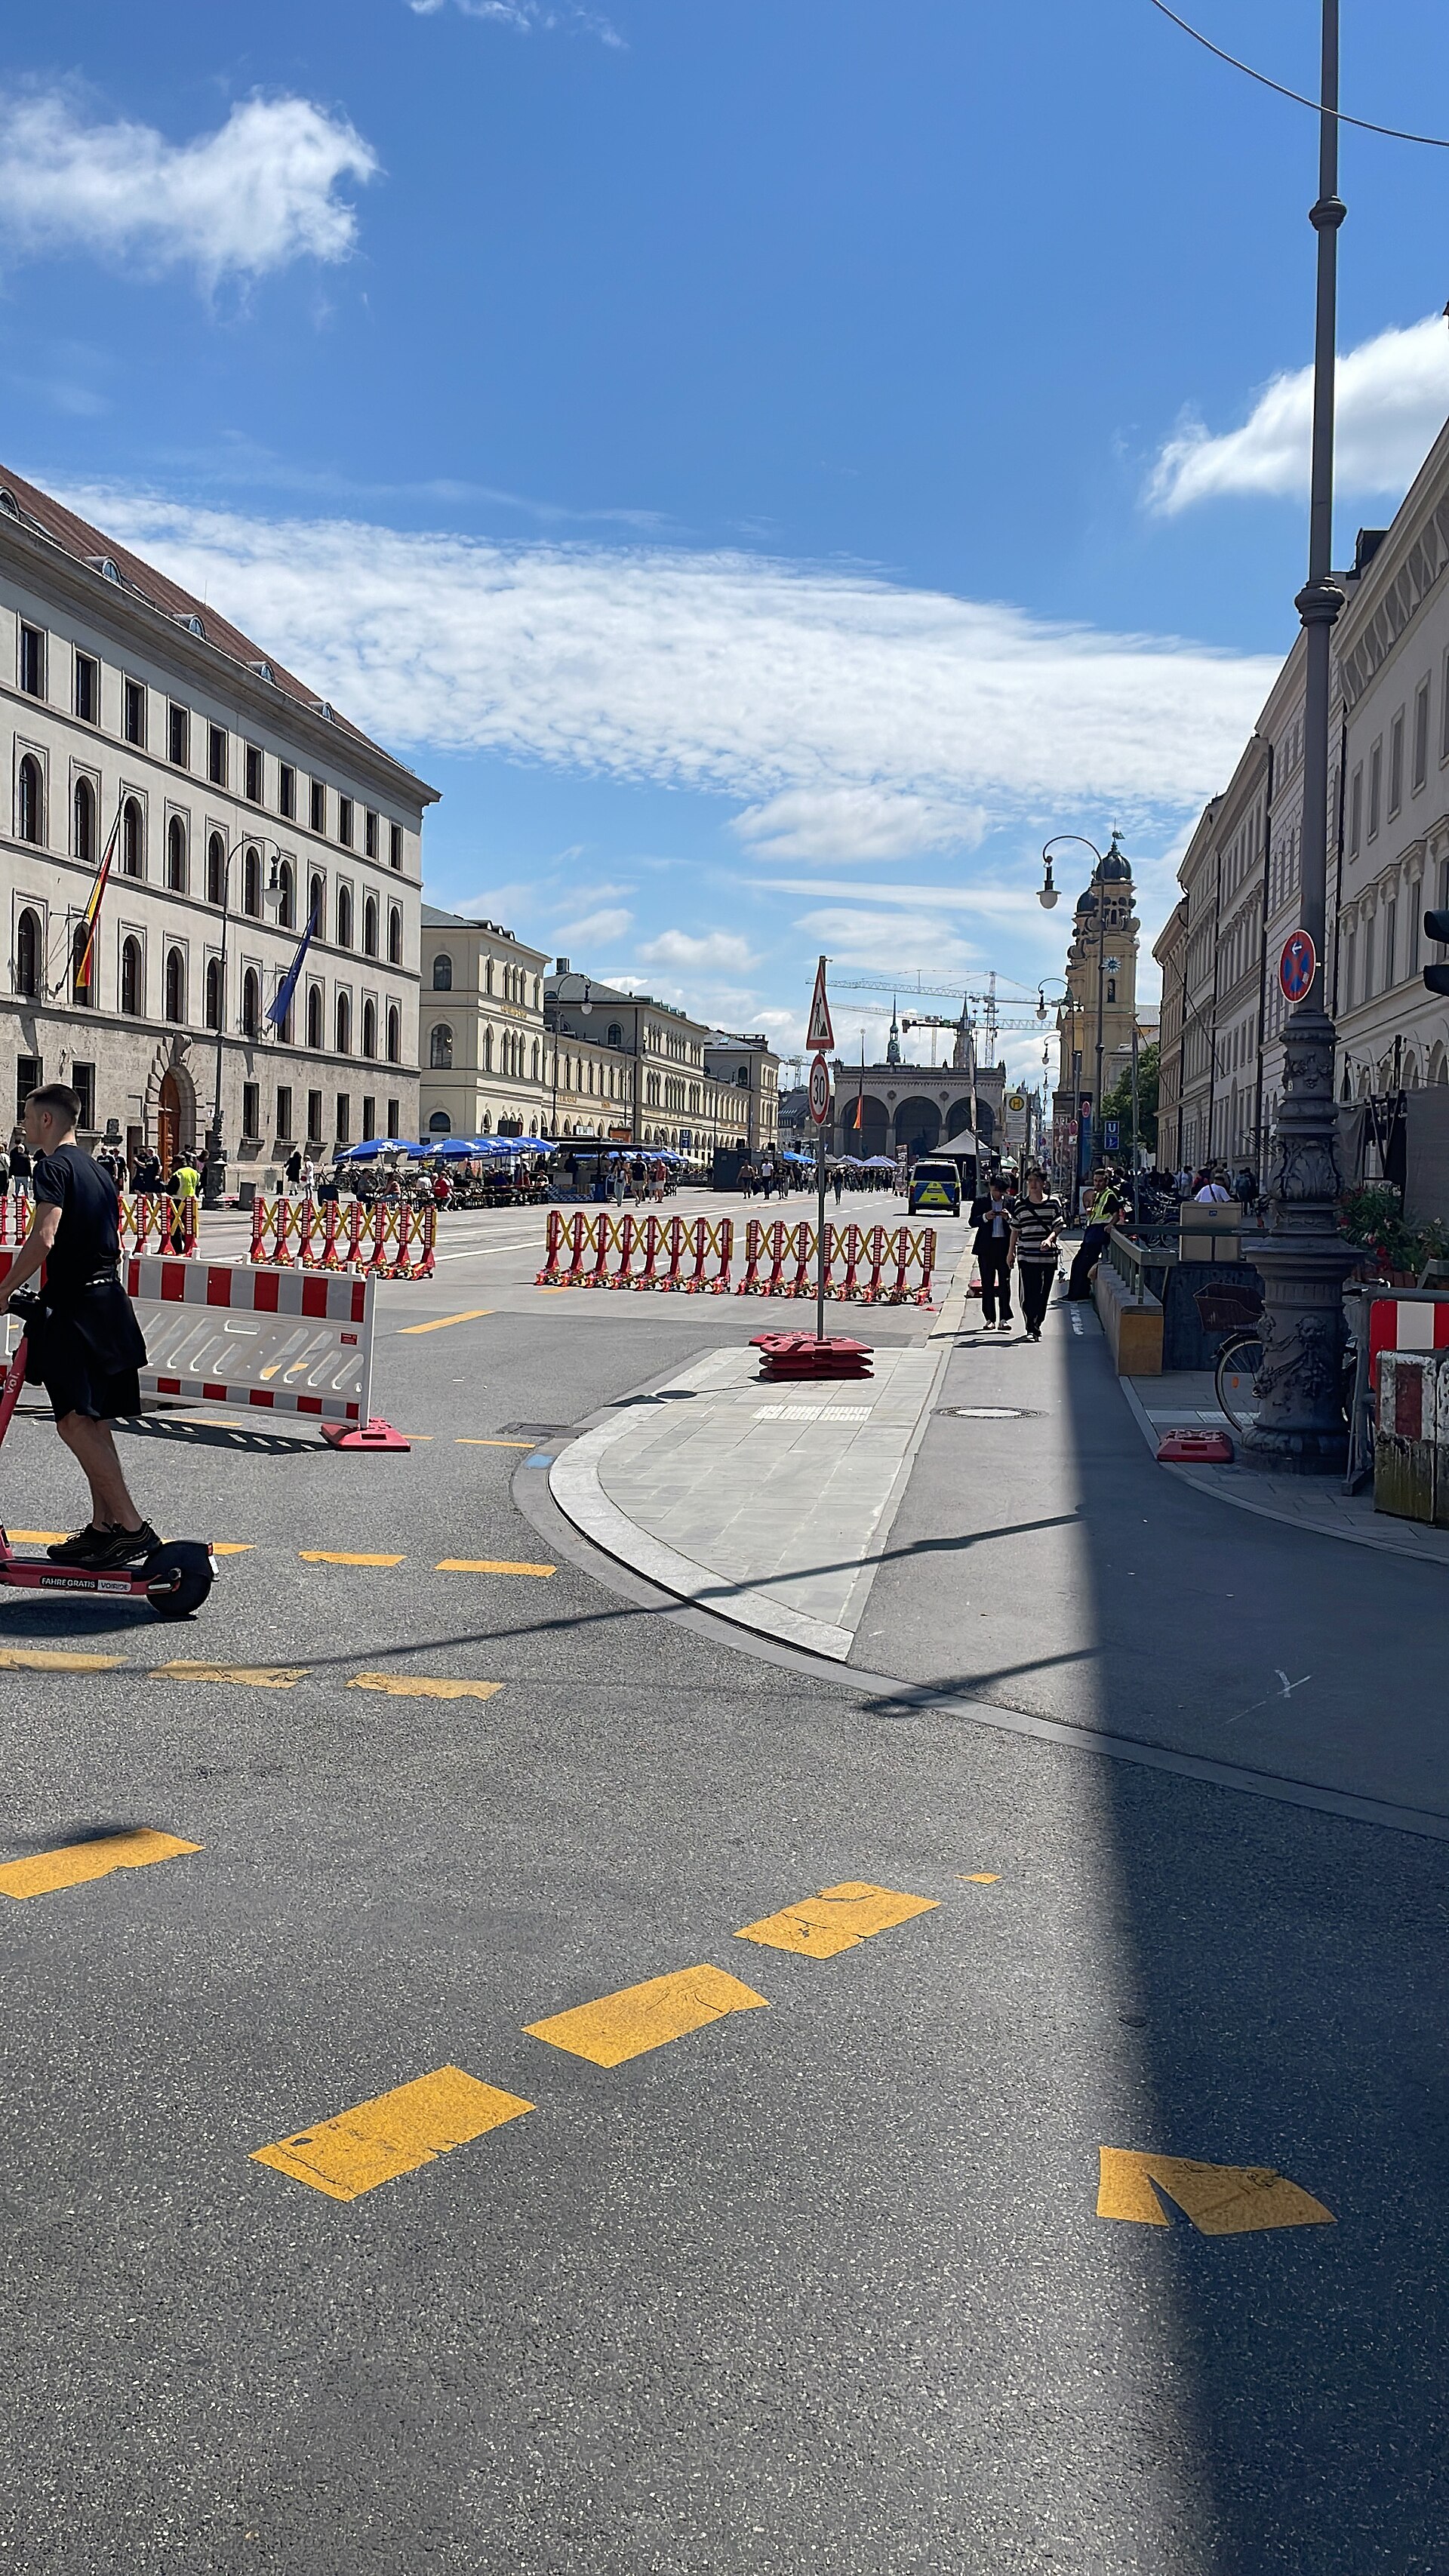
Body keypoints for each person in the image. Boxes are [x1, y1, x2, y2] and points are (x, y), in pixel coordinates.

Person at [0, 1084, 156, 1568]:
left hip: (77, 1310)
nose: (24, 1125)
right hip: (106, 1303)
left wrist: (3, 1290)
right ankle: (105, 1527)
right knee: (90, 1420)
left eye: (28, 1116)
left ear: (47, 1120)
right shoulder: (98, 1169)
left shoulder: (52, 1167)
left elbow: (44, 1237)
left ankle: (131, 1528)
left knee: (72, 1422)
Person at [1009, 1167, 1063, 1341]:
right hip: (1026, 1255)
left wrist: (1049, 1239)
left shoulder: (1053, 1203)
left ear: (1044, 1184)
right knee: (1029, 1293)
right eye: (1030, 1180)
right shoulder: (1020, 1205)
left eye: (1037, 1180)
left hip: (1047, 1257)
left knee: (1043, 1294)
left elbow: (1058, 1225)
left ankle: (1037, 1323)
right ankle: (1031, 1327)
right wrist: (1010, 1253)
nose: (1033, 1184)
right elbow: (1015, 1230)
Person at [1065, 1169, 1125, 1300]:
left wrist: (1110, 1225)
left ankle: (1078, 1294)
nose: (1097, 1183)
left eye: (1100, 1181)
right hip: (1092, 1232)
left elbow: (1116, 1214)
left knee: (1083, 1265)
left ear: (1106, 1181)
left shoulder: (1109, 1195)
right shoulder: (1098, 1195)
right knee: (1078, 1263)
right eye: (1095, 1181)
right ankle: (1074, 1293)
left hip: (1098, 1234)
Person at [970, 1170, 1017, 1330]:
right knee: (987, 1284)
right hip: (986, 1248)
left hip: (1005, 1247)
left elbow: (1017, 1224)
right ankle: (990, 1318)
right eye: (996, 1190)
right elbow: (972, 1222)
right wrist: (985, 1217)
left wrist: (1008, 1218)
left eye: (1002, 1191)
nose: (998, 1194)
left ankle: (1004, 1318)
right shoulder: (981, 1201)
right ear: (990, 1187)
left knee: (1005, 1283)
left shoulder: (1011, 1202)